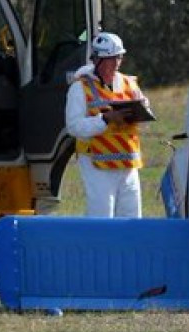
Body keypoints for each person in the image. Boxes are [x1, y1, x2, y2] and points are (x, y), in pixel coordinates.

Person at [64, 32, 149, 218]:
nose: (116, 64)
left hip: (128, 163)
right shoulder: (79, 88)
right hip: (97, 163)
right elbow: (74, 126)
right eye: (110, 59)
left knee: (131, 221)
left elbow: (144, 120)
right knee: (101, 219)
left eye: (118, 58)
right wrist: (105, 119)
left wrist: (140, 112)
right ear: (97, 60)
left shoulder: (130, 84)